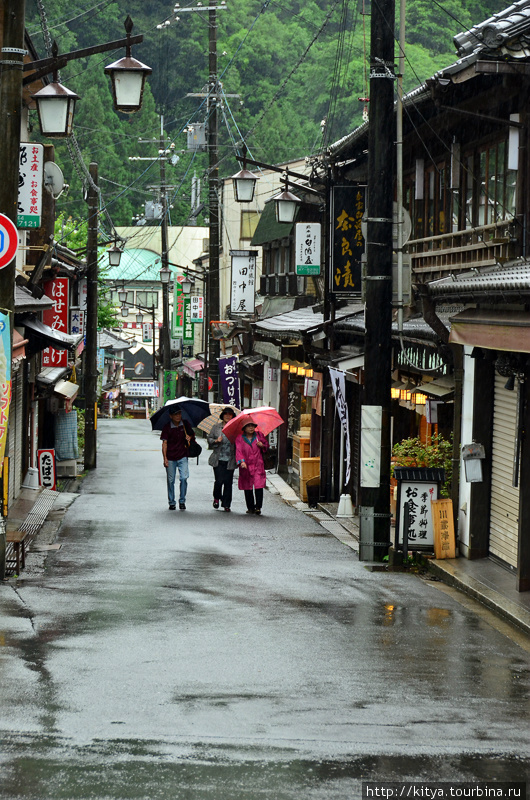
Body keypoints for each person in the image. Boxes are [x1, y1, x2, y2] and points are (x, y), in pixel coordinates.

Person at [160, 406, 195, 510]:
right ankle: (171, 502)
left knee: (184, 478)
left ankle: (182, 500)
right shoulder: (167, 427)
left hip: (183, 455)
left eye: (179, 414)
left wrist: (190, 437)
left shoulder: (185, 424)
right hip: (170, 457)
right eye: (176, 414)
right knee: (170, 480)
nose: (178, 416)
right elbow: (164, 443)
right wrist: (165, 458)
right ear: (171, 416)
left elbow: (192, 434)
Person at [235, 420, 269, 515]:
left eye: (252, 426)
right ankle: (250, 507)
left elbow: (266, 445)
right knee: (247, 486)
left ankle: (258, 507)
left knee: (259, 485)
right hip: (246, 465)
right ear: (244, 428)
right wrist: (241, 461)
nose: (251, 428)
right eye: (248, 426)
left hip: (258, 464)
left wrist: (262, 445)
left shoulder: (259, 436)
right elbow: (238, 451)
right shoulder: (239, 438)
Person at [207, 407, 237, 512]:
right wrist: (216, 440)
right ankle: (216, 497)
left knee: (228, 482)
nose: (228, 416)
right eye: (226, 414)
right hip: (218, 458)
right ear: (222, 416)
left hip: (230, 459)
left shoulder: (235, 428)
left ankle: (226, 504)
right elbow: (209, 439)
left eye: (230, 414)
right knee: (219, 480)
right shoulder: (216, 427)